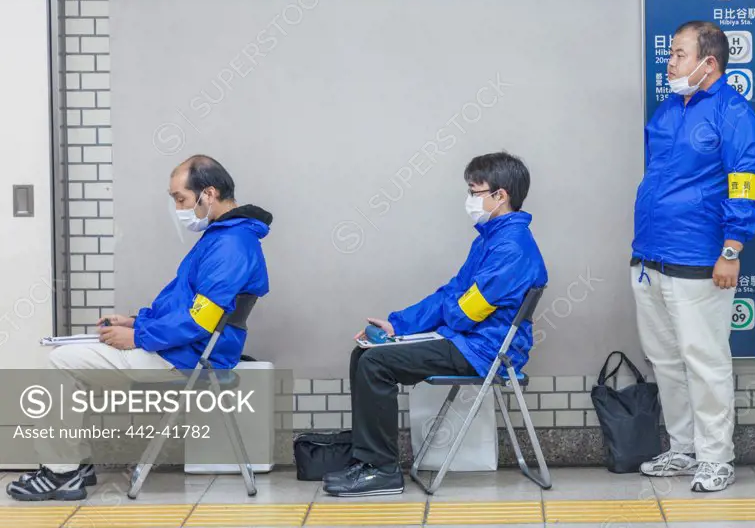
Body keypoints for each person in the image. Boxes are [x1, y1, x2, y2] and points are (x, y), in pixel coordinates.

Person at [7, 155, 272, 501]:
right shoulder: (224, 237)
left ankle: (63, 472)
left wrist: (137, 337)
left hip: (184, 358)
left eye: (181, 198)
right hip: (180, 350)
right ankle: (74, 465)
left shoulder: (231, 245)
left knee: (61, 362)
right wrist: (136, 321)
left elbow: (199, 321)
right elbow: (187, 309)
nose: (178, 207)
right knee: (67, 358)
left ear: (208, 193)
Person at [323, 152, 547, 498]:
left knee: (375, 363)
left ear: (500, 196)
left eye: (476, 192)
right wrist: (398, 325)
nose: (470, 200)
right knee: (362, 355)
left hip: (484, 351)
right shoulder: (489, 240)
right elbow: (451, 295)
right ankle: (367, 462)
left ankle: (383, 471)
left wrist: (447, 316)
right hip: (467, 341)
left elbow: (461, 313)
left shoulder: (511, 250)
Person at [630, 21, 755, 492]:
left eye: (680, 54)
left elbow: (744, 184)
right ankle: (683, 449)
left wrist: (731, 249)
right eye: (670, 53)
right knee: (665, 361)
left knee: (705, 361)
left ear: (709, 63)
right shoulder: (668, 109)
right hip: (650, 259)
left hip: (700, 261)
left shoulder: (733, 112)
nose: (670, 61)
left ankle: (716, 458)